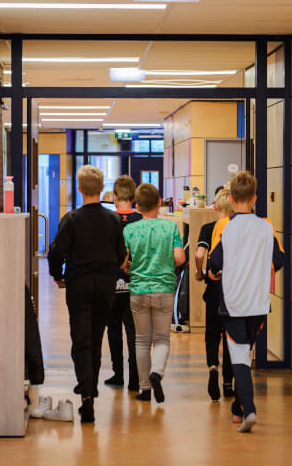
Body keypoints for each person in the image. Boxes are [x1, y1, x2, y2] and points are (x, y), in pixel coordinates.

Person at [48, 165, 127, 424]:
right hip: (105, 286)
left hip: (79, 285)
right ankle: (90, 388)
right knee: (96, 338)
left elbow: (56, 251)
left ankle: (87, 397)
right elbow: (119, 256)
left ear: (79, 189)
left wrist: (57, 274)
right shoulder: (114, 220)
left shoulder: (71, 219)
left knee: (80, 339)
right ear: (103, 189)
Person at [209, 171, 284, 433]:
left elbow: (214, 263)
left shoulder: (227, 228)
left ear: (230, 198)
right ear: (254, 198)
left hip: (233, 303)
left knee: (239, 357)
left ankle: (249, 409)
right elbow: (279, 260)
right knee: (245, 353)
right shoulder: (266, 226)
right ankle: (239, 409)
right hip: (258, 304)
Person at [124, 183, 186, 403]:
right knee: (161, 338)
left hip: (138, 289)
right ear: (159, 202)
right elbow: (180, 258)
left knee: (141, 341)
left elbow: (123, 261)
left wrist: (132, 267)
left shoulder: (129, 230)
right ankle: (157, 372)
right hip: (164, 289)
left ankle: (145, 389)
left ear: (137, 205)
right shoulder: (170, 229)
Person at [195, 187, 234, 401]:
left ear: (216, 206)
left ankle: (212, 367)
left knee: (212, 333)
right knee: (231, 338)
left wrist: (200, 273)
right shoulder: (238, 228)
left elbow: (199, 253)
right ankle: (228, 383)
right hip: (234, 290)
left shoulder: (208, 228)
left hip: (214, 290)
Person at [104, 175, 141, 391]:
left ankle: (118, 374)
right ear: (134, 197)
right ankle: (135, 378)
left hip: (112, 283)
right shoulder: (141, 220)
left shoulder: (108, 220)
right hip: (135, 283)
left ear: (115, 197)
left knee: (114, 329)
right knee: (134, 331)